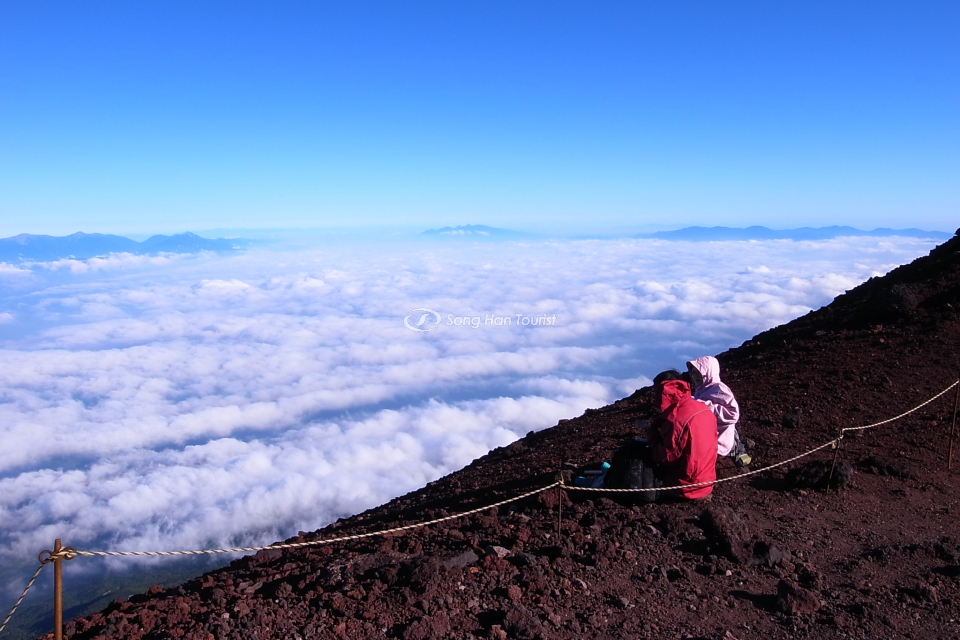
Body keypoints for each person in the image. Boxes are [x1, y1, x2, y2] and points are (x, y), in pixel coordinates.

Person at [647, 370, 718, 500]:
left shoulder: (676, 419)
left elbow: (664, 456)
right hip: (707, 481)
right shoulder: (702, 408)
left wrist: (652, 435)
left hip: (687, 487)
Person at [686, 356, 751, 467]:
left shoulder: (719, 389)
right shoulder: (702, 389)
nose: (694, 376)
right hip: (708, 438)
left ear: (707, 371)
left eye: (697, 373)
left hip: (720, 442)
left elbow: (733, 414)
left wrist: (703, 406)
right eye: (693, 373)